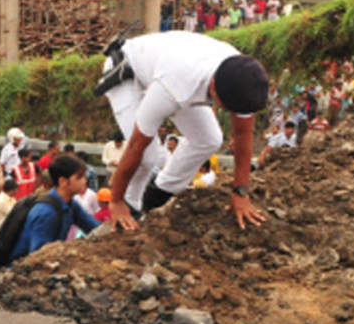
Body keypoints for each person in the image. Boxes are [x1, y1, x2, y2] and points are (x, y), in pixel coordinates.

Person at [99, 31, 269, 231]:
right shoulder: (175, 85)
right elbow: (137, 144)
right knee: (147, 154)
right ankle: (129, 206)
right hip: (129, 71)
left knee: (209, 140)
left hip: (171, 68)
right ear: (214, 89)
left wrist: (240, 192)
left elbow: (242, 134)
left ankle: (157, 195)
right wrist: (115, 200)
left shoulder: (244, 78)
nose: (230, 113)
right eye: (226, 107)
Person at [10, 154, 102, 261]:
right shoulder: (46, 213)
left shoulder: (70, 204)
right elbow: (37, 257)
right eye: (79, 177)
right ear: (63, 181)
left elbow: (95, 228)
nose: (84, 181)